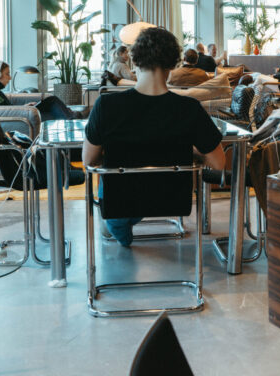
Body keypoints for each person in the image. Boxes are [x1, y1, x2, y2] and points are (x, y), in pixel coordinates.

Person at [83, 27, 226, 246]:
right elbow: (218, 162)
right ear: (173, 64)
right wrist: (188, 150)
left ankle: (118, 223)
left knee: (112, 170)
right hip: (172, 200)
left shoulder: (106, 105)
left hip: (120, 201)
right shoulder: (189, 109)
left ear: (134, 61)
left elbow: (88, 160)